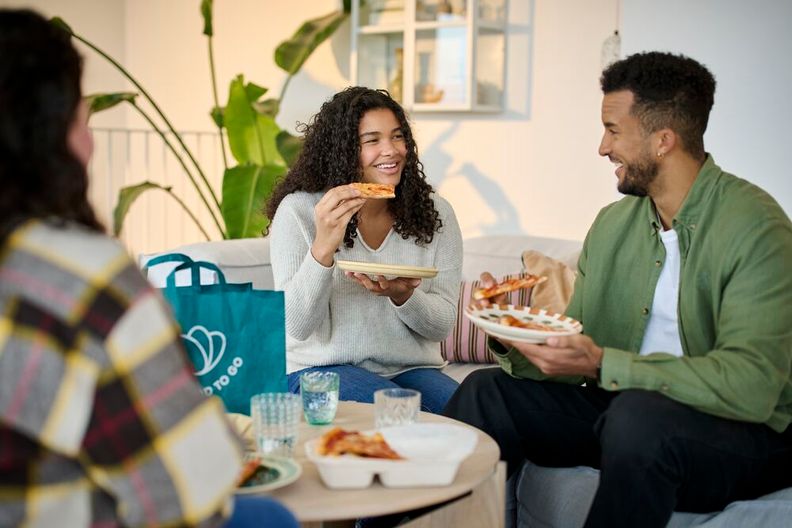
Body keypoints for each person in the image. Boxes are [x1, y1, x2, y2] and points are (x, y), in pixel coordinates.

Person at [444, 51, 792, 527]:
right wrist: (510, 332)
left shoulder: (755, 227)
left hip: (741, 433)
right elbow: (579, 352)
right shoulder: (613, 226)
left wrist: (605, 364)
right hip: (625, 415)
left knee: (637, 416)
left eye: (612, 129)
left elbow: (752, 386)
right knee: (488, 392)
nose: (602, 148)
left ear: (663, 140)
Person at [0, 9, 297, 528]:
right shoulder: (86, 280)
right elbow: (188, 490)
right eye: (81, 116)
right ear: (48, 135)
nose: (90, 140)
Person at [266, 86, 463, 414]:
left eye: (397, 137)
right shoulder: (299, 211)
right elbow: (296, 326)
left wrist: (404, 296)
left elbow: (442, 326)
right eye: (372, 140)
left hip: (410, 369)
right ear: (343, 150)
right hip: (316, 371)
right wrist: (324, 245)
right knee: (401, 415)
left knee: (477, 416)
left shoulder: (436, 214)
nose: (392, 151)